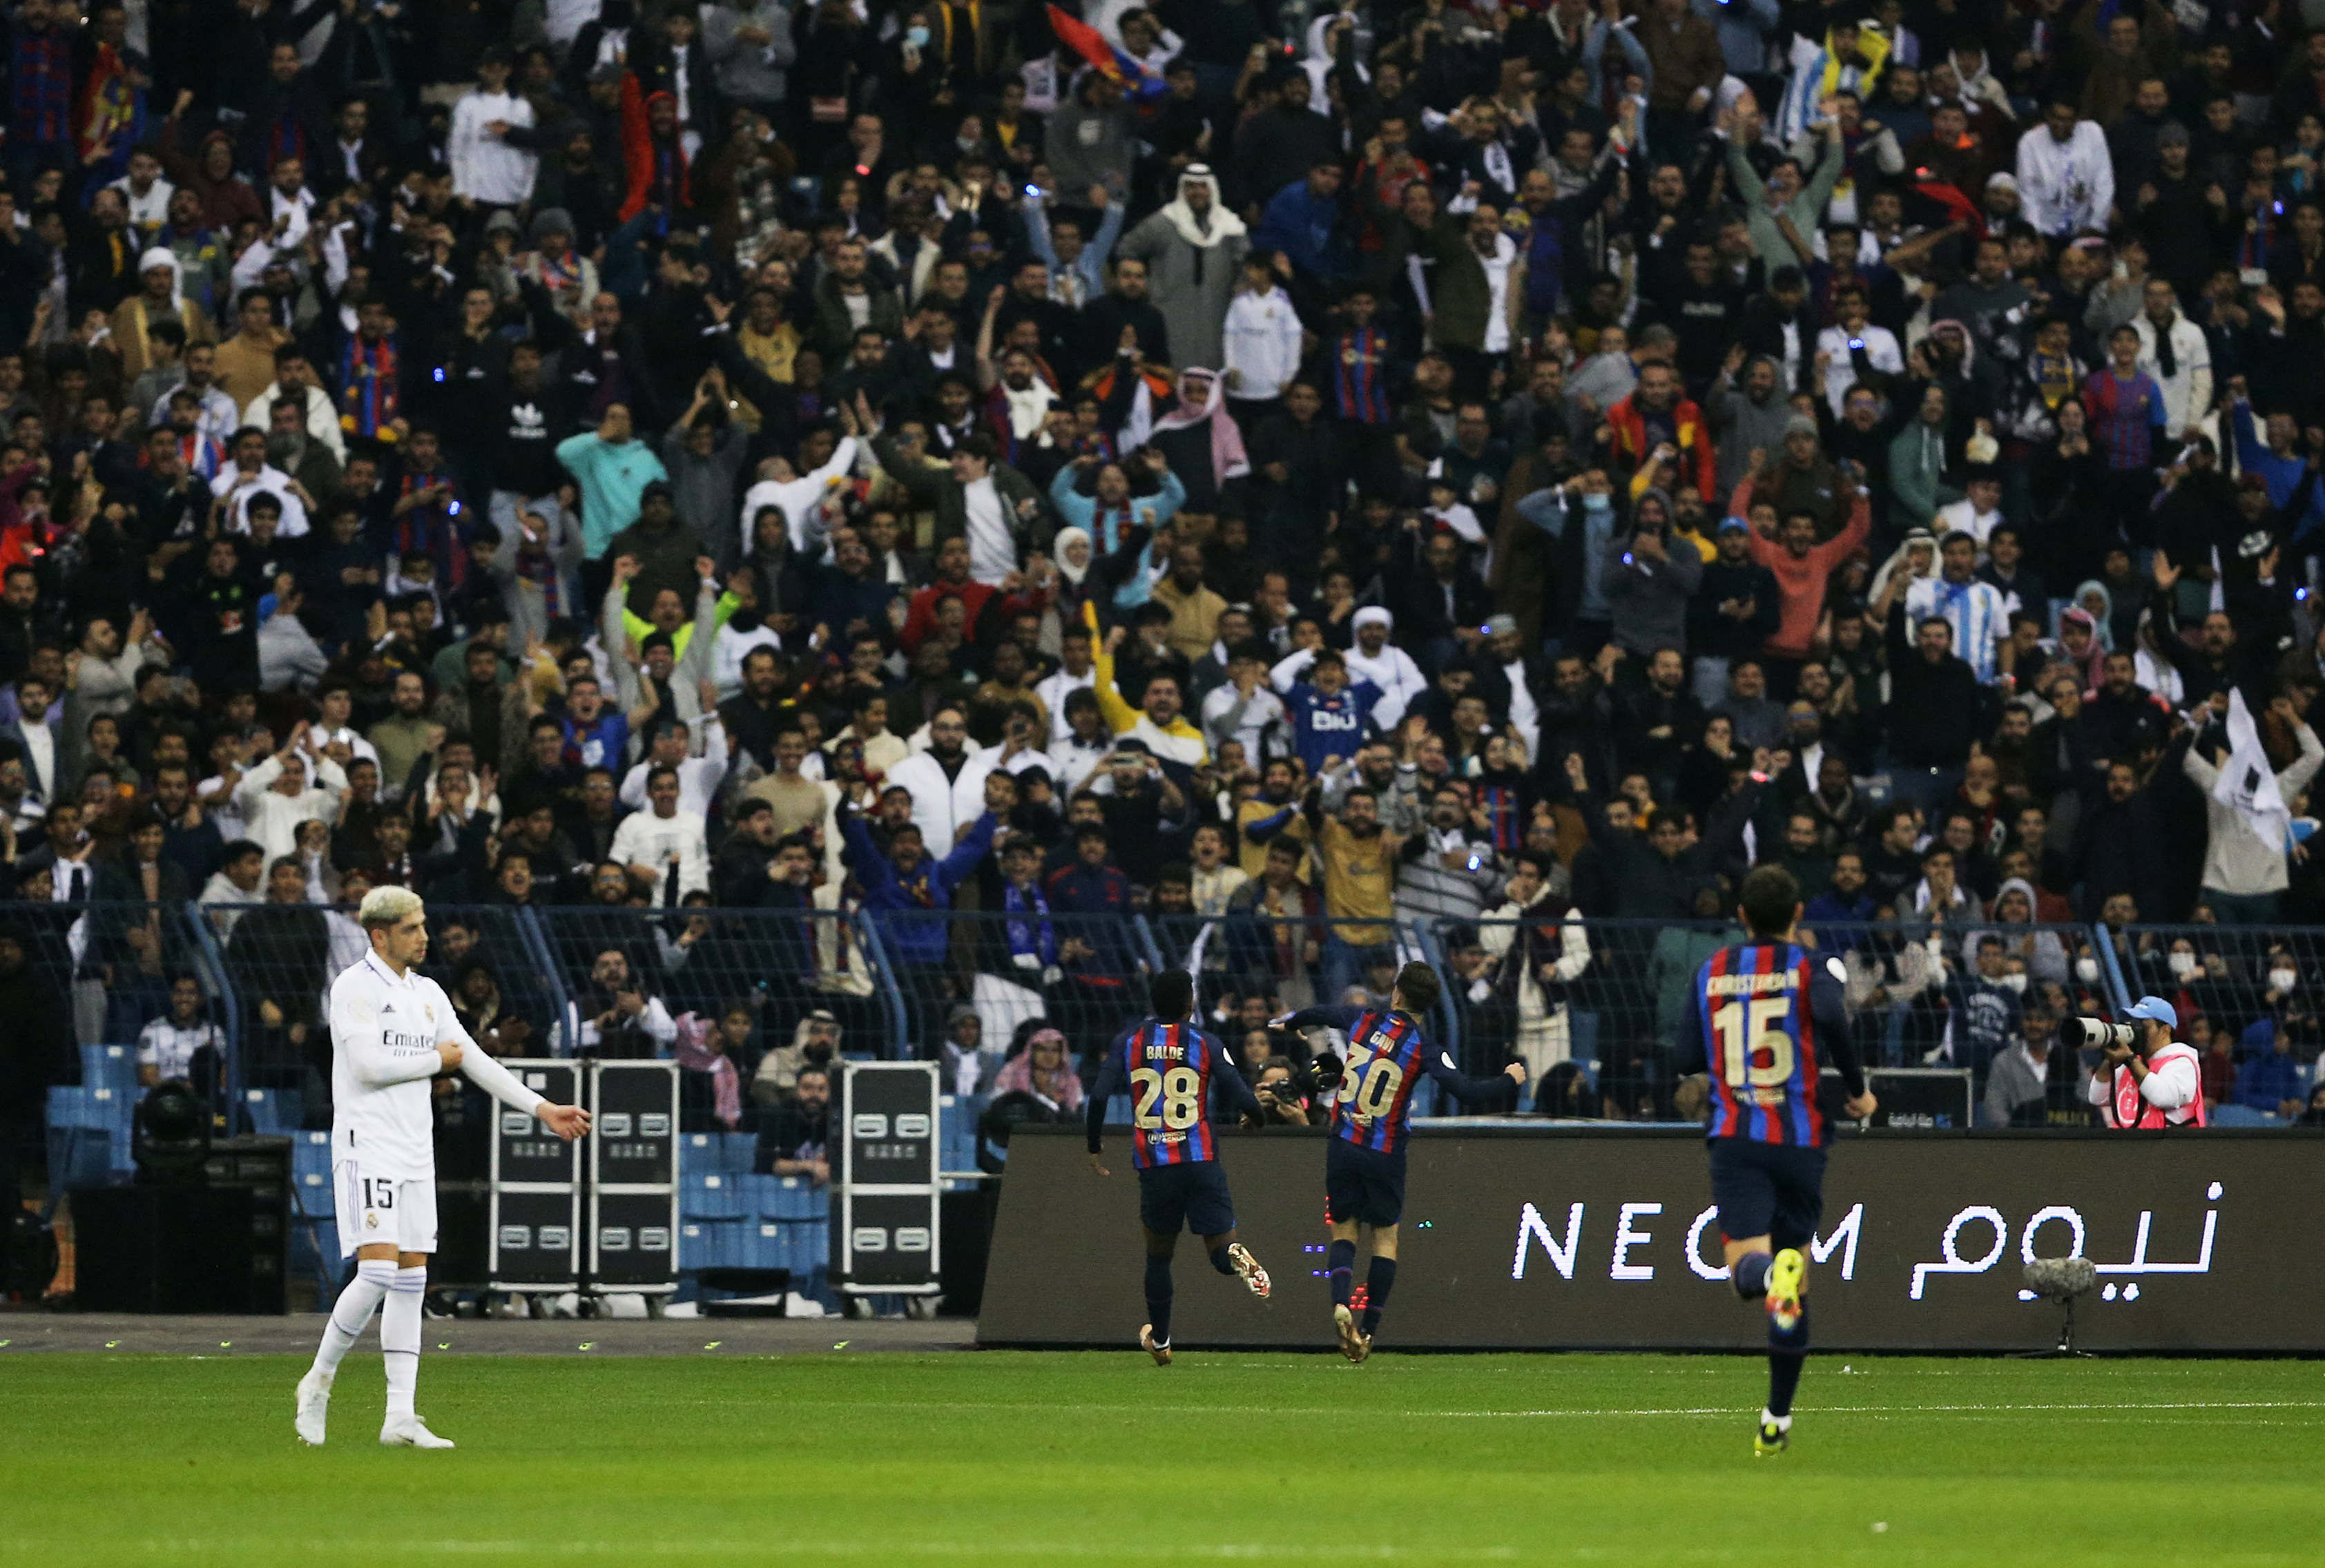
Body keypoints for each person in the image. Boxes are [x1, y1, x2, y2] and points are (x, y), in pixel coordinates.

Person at [295, 886, 590, 1449]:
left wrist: (542, 1108)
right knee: (377, 1272)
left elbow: (474, 1058)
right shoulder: (354, 986)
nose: (424, 936)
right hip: (368, 1145)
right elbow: (367, 1064)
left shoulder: (428, 992)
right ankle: (319, 1380)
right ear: (379, 934)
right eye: (411, 927)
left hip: (414, 1149)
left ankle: (399, 1416)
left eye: (424, 924)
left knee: (411, 1279)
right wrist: (437, 1061)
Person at [1675, 864, 1877, 1458]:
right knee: (1796, 1275)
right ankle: (1777, 1418)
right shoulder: (1812, 967)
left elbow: (1685, 1055)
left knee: (1751, 1273)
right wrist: (1858, 1087)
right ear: (1798, 913)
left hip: (1736, 1134)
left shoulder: (1711, 969)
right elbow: (1833, 1016)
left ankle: (1770, 1276)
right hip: (1801, 1139)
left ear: (1741, 916)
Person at [1275, 961, 1527, 1362]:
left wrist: (1290, 1023)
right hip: (1385, 1153)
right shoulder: (1424, 1047)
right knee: (1386, 1239)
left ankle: (1341, 1302)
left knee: (1343, 1231)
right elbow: (1466, 1090)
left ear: (1396, 993)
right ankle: (1368, 1333)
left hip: (1342, 1142)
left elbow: (1320, 1013)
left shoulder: (1363, 1018)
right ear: (1429, 1004)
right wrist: (1510, 1079)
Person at [1085, 969, 1273, 1364]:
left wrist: (1094, 1144)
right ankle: (1235, 1253)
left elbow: (1099, 1094)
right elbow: (1241, 1095)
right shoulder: (1205, 1042)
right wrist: (1257, 1120)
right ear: (1190, 1004)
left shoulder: (1130, 1040)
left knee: (1158, 1256)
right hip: (1201, 1160)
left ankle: (1163, 1341)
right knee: (1220, 1252)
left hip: (1156, 1166)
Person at [2085, 995, 2206, 1130]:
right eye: (2135, 1025)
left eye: (2144, 1027)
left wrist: (2130, 1060)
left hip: (2169, 1147)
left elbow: (2162, 1097)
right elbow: (2097, 1097)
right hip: (2130, 1146)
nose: (2138, 1032)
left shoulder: (2181, 1062)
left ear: (2165, 1029)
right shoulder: (2135, 1062)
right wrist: (2110, 1061)